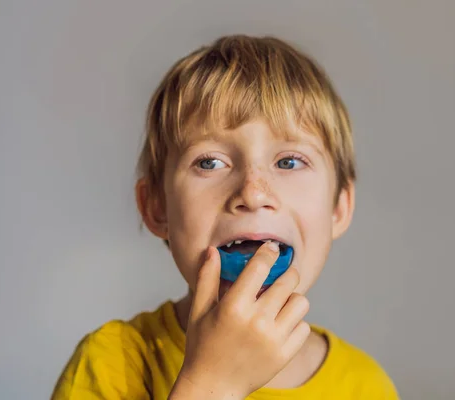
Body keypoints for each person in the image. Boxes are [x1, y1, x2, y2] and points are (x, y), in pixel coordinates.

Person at [51, 34, 400, 400]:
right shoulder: (113, 363)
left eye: (289, 162)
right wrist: (211, 384)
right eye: (210, 162)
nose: (253, 192)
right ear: (156, 207)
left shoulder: (367, 386)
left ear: (338, 208)